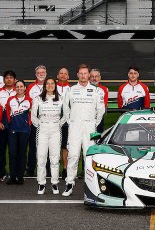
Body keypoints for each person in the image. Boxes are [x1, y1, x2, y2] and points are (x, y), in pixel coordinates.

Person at [63, 64, 105, 196]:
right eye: (80, 73)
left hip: (90, 128)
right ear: (77, 75)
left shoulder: (97, 91)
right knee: (73, 155)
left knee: (90, 156)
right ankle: (69, 183)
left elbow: (101, 110)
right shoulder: (71, 90)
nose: (83, 76)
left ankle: (90, 186)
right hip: (75, 127)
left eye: (85, 73)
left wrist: (94, 124)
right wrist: (71, 122)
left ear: (88, 75)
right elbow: (65, 108)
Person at [31, 78, 67, 195]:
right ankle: (41, 183)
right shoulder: (38, 98)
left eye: (52, 83)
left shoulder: (61, 98)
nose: (50, 85)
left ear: (55, 85)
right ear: (45, 86)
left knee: (55, 158)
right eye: (48, 84)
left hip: (56, 130)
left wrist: (58, 124)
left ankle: (54, 183)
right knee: (41, 157)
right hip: (42, 130)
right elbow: (33, 117)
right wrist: (40, 125)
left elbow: (66, 115)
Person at [5, 80, 32, 185]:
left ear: (25, 88)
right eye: (17, 86)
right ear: (15, 88)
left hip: (24, 130)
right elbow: (7, 114)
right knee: (12, 153)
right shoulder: (10, 100)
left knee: (22, 153)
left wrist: (28, 125)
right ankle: (12, 176)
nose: (19, 88)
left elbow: (32, 115)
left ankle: (20, 176)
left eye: (21, 86)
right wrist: (9, 125)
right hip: (13, 130)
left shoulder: (30, 100)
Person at [0, 70, 19, 181]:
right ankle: (1, 173)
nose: (9, 79)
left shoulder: (19, 90)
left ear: (14, 80)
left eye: (11, 77)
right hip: (2, 125)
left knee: (14, 150)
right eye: (7, 77)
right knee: (1, 150)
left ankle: (15, 172)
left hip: (15, 125)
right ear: (3, 80)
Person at [26, 65, 49, 175]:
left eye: (43, 72)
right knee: (33, 146)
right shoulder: (31, 87)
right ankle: (30, 169)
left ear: (46, 73)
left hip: (49, 121)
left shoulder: (51, 85)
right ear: (35, 74)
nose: (41, 74)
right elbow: (28, 103)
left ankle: (48, 170)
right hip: (34, 122)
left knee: (49, 146)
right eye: (39, 72)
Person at [90, 67, 110, 134]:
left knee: (97, 136)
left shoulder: (104, 89)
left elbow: (104, 104)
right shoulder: (85, 88)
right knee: (87, 136)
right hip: (87, 116)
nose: (94, 78)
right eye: (92, 76)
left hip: (99, 117)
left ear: (100, 77)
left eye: (96, 76)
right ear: (89, 78)